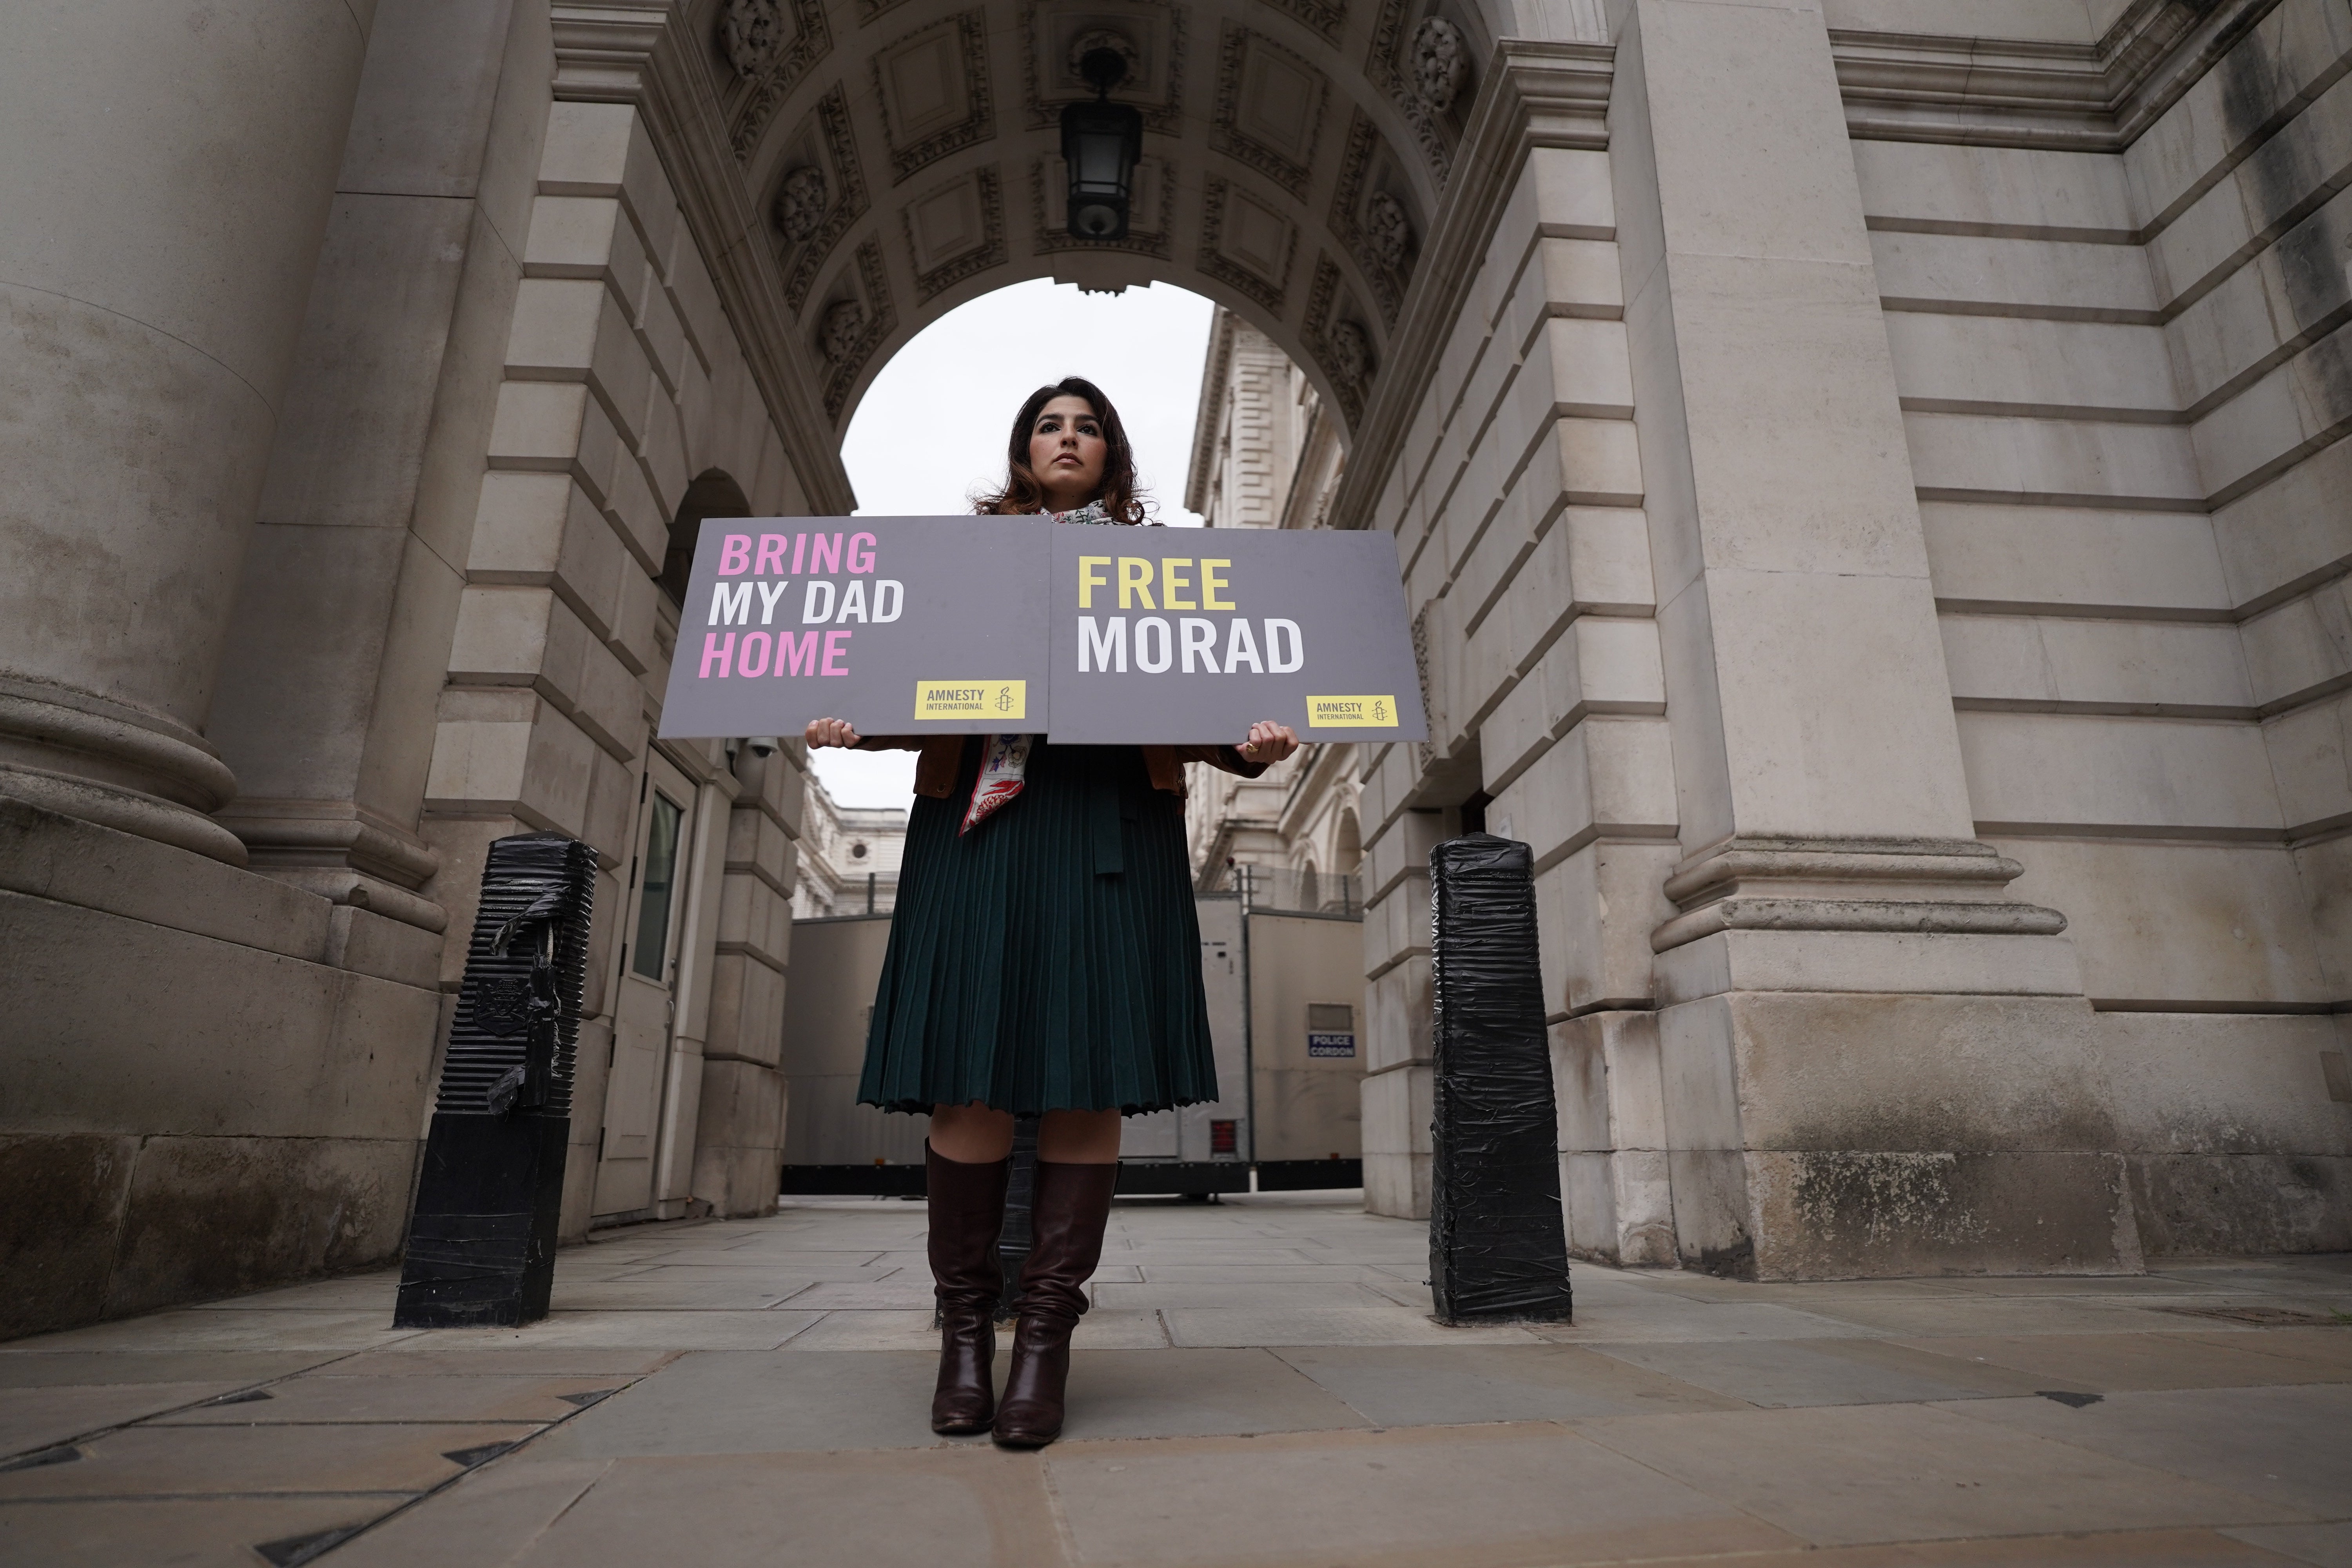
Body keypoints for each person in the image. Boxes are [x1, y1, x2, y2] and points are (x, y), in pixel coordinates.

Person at [803, 377, 1298, 1448]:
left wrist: (1247, 745)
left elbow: (1203, 692)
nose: (1067, 439)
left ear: (1112, 452)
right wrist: (851, 718)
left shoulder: (1159, 568)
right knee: (969, 1085)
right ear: (1022, 449)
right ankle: (966, 1336)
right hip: (978, 834)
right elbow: (902, 675)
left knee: (1087, 1077)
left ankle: (1046, 1340)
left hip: (1107, 826)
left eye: (1088, 427)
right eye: (1048, 425)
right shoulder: (957, 561)